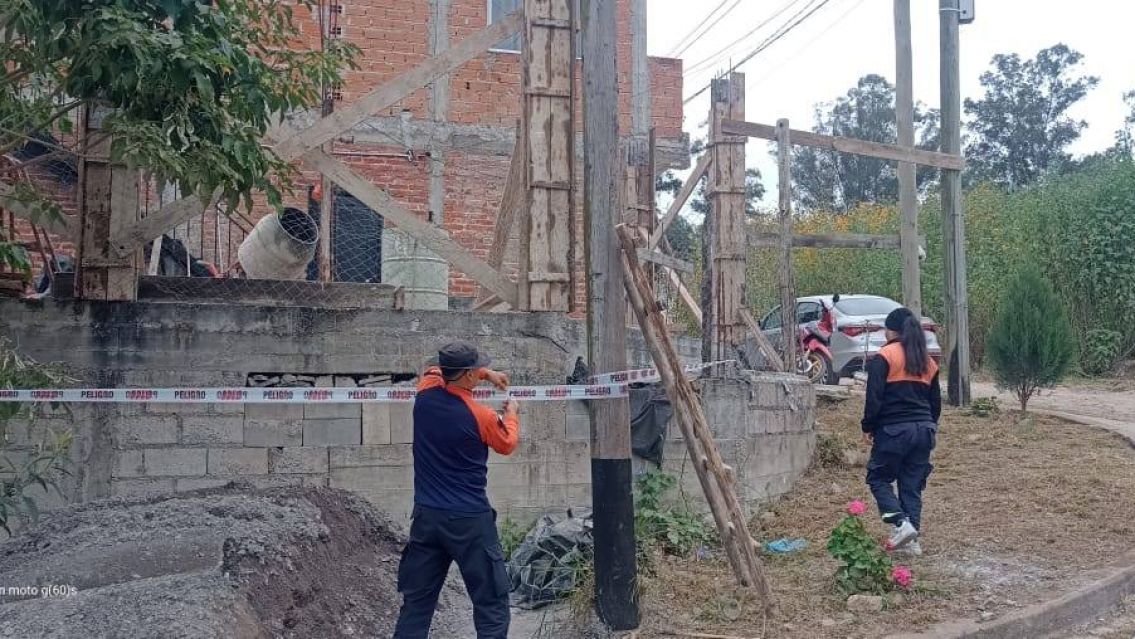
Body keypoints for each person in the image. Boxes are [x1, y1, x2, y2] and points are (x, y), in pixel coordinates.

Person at [393, 341, 520, 639]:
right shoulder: (481, 416)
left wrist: (487, 374)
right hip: (470, 521)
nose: (480, 371)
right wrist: (512, 414)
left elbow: (433, 371)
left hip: (427, 518)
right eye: (477, 369)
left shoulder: (424, 394)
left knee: (417, 604)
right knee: (491, 604)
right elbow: (507, 443)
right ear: (467, 375)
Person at [861, 307, 941, 557]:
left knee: (878, 479)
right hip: (924, 430)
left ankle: (899, 522)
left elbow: (874, 398)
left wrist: (868, 427)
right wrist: (929, 428)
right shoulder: (927, 361)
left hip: (894, 430)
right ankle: (911, 541)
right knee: (911, 485)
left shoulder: (885, 356)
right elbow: (935, 404)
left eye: (886, 329)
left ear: (892, 330)